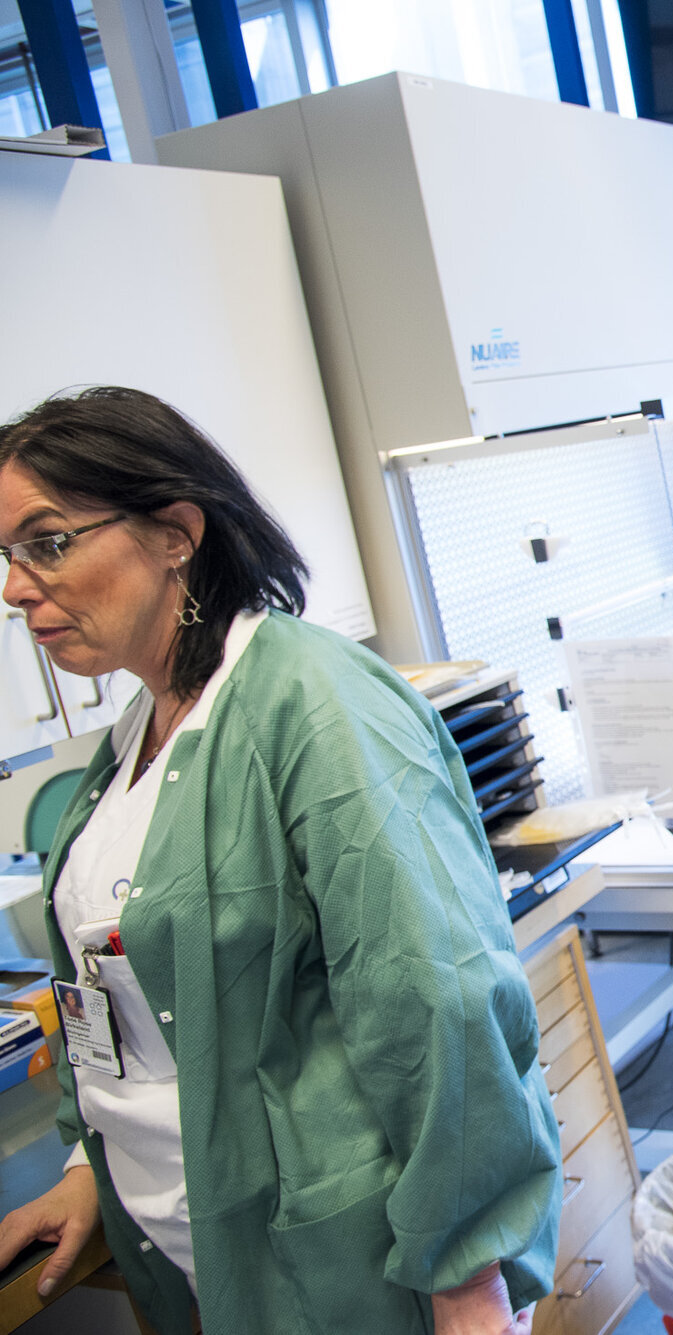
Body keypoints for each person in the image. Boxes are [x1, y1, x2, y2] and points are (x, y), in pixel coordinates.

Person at [0, 387, 562, 1334]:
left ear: (177, 531)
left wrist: (468, 1277)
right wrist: (84, 1167)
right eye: (8, 556)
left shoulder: (315, 703)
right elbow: (119, 996)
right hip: (198, 1259)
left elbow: (437, 999)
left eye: (47, 542)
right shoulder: (140, 728)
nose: (16, 588)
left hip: (345, 1271)